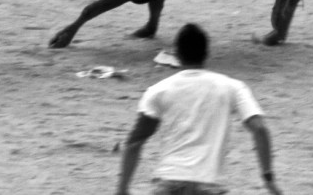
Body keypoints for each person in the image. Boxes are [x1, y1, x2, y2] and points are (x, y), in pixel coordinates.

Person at [115, 23, 282, 195]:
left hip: (168, 184)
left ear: (176, 54)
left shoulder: (158, 90)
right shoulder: (232, 87)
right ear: (207, 53)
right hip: (209, 186)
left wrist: (122, 190)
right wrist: (268, 178)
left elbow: (134, 143)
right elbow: (260, 128)